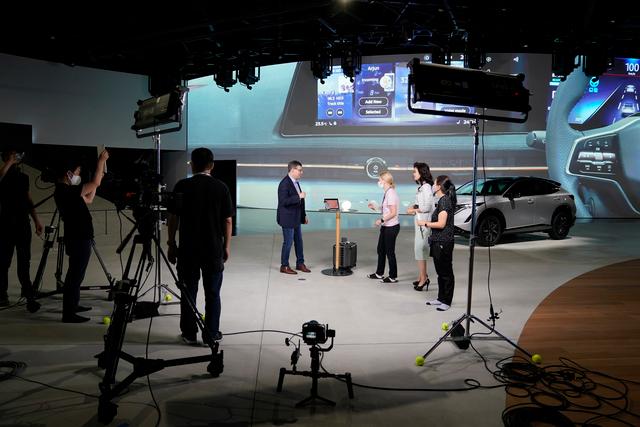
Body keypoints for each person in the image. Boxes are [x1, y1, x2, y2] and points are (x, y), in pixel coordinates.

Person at [167, 147, 233, 345]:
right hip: (213, 249)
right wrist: (226, 246)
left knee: (188, 292)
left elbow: (173, 218)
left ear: (192, 165)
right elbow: (227, 220)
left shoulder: (182, 185)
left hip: (188, 249)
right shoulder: (221, 187)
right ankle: (211, 334)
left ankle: (189, 333)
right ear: (211, 165)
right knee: (212, 293)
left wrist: (171, 243)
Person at [53, 149, 109, 322]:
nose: (78, 175)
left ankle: (74, 305)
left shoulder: (67, 191)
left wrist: (98, 180)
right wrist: (101, 162)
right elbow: (94, 183)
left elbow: (89, 198)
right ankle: (69, 313)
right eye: (77, 172)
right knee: (74, 276)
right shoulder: (65, 191)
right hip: (78, 238)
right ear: (68, 174)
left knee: (77, 275)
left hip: (79, 237)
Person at [0, 149, 43, 312]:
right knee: (3, 262)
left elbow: (28, 199)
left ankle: (29, 295)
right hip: (5, 225)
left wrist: (36, 220)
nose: (15, 157)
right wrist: (9, 161)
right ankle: (2, 295)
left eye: (16, 155)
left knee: (24, 262)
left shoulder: (23, 177)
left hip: (23, 224)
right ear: (6, 157)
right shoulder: (3, 175)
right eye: (12, 155)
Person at [418, 175, 456, 311]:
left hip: (444, 242)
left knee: (446, 272)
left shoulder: (445, 201)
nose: (433, 186)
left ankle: (447, 301)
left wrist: (425, 223)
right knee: (440, 272)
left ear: (439, 186)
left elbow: (441, 224)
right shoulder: (441, 200)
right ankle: (441, 298)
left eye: (434, 184)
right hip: (438, 241)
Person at [276, 160, 310, 274]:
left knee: (299, 241)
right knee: (288, 242)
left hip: (296, 217)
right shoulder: (284, 183)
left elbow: (300, 202)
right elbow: (283, 201)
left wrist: (303, 215)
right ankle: (284, 266)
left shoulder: (295, 182)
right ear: (292, 170)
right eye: (299, 170)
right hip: (287, 218)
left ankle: (300, 263)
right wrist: (298, 196)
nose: (301, 172)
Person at [367, 171, 400, 283]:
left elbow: (393, 212)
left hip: (391, 227)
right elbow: (385, 209)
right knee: (381, 250)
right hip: (386, 226)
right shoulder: (387, 192)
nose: (378, 182)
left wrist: (381, 220)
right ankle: (379, 273)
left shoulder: (390, 193)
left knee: (390, 252)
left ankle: (392, 277)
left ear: (385, 181)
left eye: (380, 180)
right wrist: (375, 207)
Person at [406, 162, 434, 291]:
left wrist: (413, 210)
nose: (413, 174)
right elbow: (421, 204)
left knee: (420, 250)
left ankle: (423, 279)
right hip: (420, 223)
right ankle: (422, 276)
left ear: (421, 173)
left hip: (423, 224)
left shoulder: (426, 187)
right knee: (419, 250)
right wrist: (414, 207)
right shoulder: (423, 187)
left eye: (415, 171)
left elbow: (427, 207)